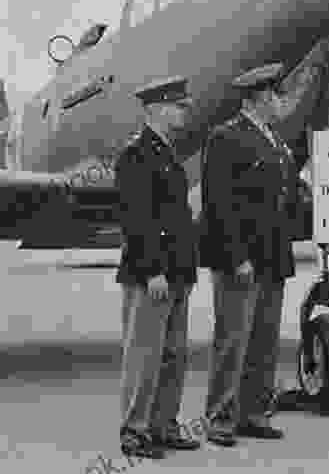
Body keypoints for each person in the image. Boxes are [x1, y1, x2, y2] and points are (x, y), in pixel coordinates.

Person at [200, 62, 297, 446]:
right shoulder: (226, 137)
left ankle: (254, 413)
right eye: (278, 96)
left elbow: (283, 201)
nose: (283, 103)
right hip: (240, 261)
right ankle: (220, 417)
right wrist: (236, 256)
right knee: (233, 340)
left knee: (264, 340)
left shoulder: (274, 139)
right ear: (261, 98)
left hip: (272, 258)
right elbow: (218, 204)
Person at [115, 76, 201, 458]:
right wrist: (152, 271)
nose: (183, 112)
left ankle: (164, 424)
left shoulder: (167, 154)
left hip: (177, 273)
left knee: (174, 354)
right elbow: (137, 220)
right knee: (145, 354)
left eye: (183, 106)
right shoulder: (136, 155)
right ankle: (134, 430)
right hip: (152, 274)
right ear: (154, 110)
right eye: (176, 106)